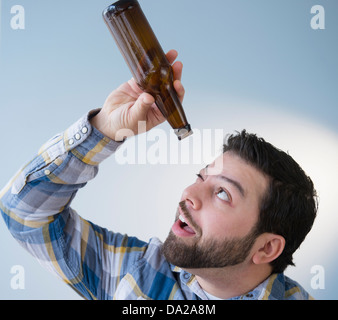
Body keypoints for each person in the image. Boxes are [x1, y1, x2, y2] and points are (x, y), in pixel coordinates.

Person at [0, 50, 318, 300]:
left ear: (266, 249)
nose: (188, 196)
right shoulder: (137, 275)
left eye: (223, 193)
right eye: (200, 177)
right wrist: (105, 131)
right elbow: (25, 215)